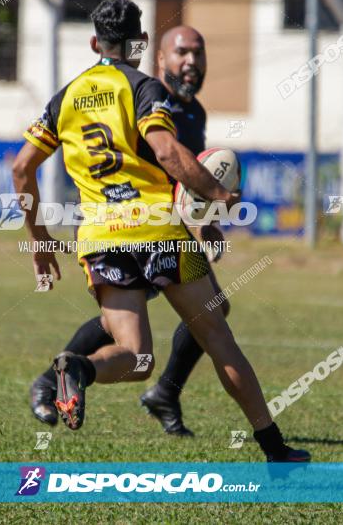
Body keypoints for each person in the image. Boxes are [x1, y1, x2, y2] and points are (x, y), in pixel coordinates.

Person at [11, 0, 309, 462]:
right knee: (216, 334)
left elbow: (21, 169)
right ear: (142, 42)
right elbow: (168, 153)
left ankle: (80, 370)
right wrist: (217, 194)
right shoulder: (145, 88)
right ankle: (274, 447)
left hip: (100, 236)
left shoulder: (64, 98)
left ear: (94, 42)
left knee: (136, 356)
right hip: (158, 230)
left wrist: (39, 241)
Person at [29, 25, 229, 437]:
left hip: (161, 228)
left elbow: (181, 177)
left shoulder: (194, 112)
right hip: (126, 227)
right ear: (160, 59)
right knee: (149, 321)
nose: (191, 62)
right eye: (181, 53)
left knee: (188, 312)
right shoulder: (142, 95)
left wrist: (204, 221)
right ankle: (59, 380)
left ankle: (78, 381)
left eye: (199, 52)